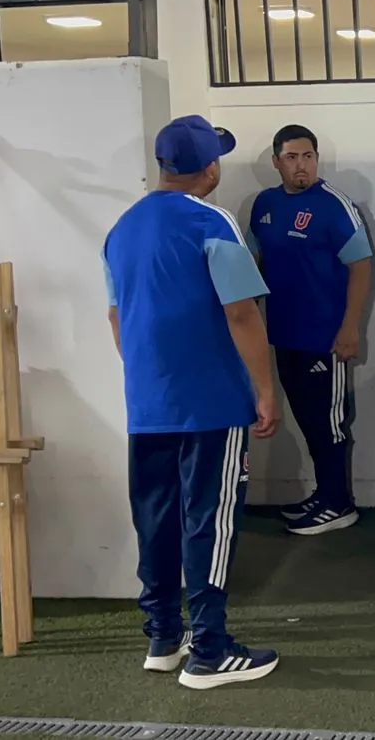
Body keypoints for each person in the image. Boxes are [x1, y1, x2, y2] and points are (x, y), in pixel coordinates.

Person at [104, 115, 282, 690]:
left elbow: (116, 317)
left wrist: (149, 378)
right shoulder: (212, 221)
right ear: (210, 167)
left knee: (155, 517)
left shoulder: (122, 229)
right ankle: (210, 650)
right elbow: (241, 312)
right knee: (211, 518)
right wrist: (265, 390)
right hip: (211, 403)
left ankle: (163, 637)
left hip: (147, 403)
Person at [249, 124, 375, 536]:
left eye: (308, 156)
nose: (301, 165)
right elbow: (256, 261)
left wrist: (350, 328)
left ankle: (339, 504)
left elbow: (361, 266)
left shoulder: (334, 205)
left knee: (329, 423)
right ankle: (323, 496)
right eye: (292, 157)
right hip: (284, 334)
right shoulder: (264, 205)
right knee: (305, 418)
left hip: (325, 338)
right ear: (277, 162)